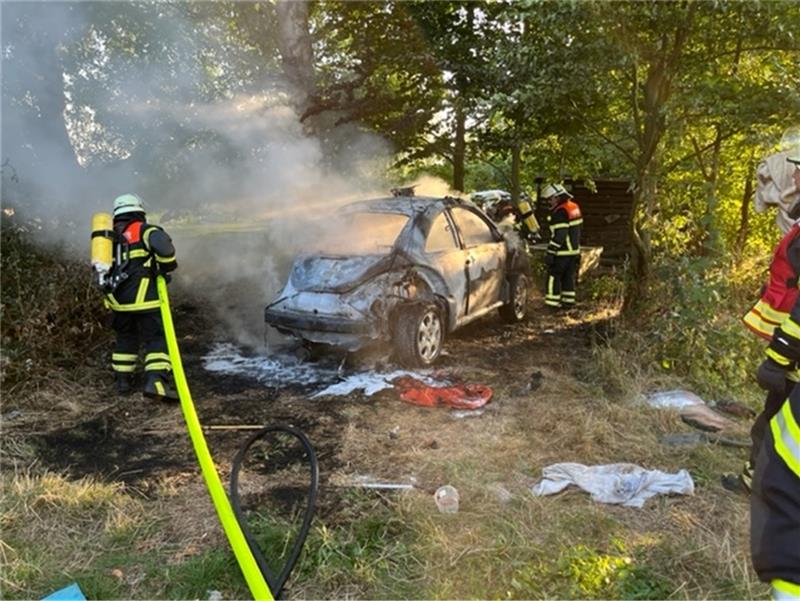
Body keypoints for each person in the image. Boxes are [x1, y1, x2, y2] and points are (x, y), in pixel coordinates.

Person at [731, 153, 800, 493]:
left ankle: (762, 487)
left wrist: (778, 359)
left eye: (799, 172)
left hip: (793, 358)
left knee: (776, 427)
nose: (794, 178)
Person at [105, 193, 178, 401]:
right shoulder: (143, 230)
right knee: (157, 338)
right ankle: (156, 382)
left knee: (126, 337)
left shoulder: (108, 237)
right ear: (139, 211)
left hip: (118, 302)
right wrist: (167, 267)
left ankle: (122, 381)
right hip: (146, 299)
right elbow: (165, 249)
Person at [541, 183, 582, 309]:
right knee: (568, 277)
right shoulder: (573, 207)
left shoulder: (560, 212)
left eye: (550, 199)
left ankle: (552, 304)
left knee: (553, 276)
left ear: (557, 197)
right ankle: (568, 303)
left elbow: (560, 235)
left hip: (562, 252)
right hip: (574, 251)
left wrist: (551, 251)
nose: (548, 202)